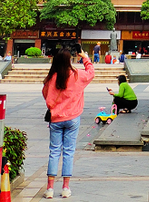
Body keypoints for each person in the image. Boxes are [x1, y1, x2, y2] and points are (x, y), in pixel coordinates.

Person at [42, 48, 95, 199]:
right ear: (69, 61)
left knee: (54, 152)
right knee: (69, 152)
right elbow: (91, 73)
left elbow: (45, 94)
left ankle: (50, 188)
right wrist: (85, 57)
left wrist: (54, 107)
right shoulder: (77, 75)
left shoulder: (51, 78)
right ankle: (65, 187)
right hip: (72, 117)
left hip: (56, 118)